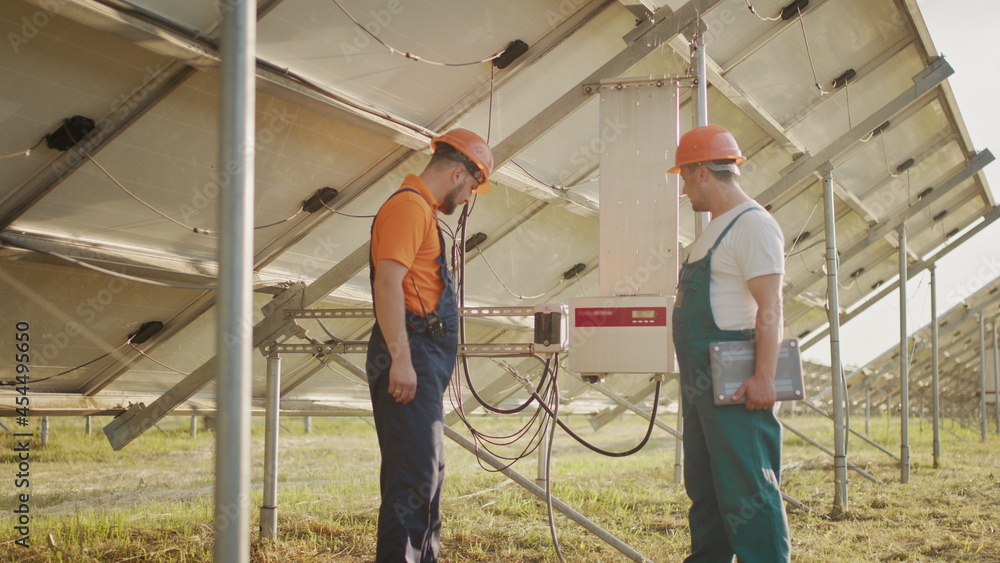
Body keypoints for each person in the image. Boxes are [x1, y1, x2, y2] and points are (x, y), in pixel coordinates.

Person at [365, 128, 493, 563]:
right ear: (459, 173)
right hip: (409, 353)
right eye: (473, 186)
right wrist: (401, 358)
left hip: (422, 355)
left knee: (427, 471)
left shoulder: (421, 209)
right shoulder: (408, 208)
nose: (470, 197)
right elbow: (388, 282)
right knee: (411, 476)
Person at [668, 125, 791, 562]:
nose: (683, 189)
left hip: (738, 385)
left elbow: (770, 306)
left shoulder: (753, 225)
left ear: (702, 172)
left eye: (684, 177)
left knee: (749, 490)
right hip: (703, 386)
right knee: (706, 486)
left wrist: (764, 376)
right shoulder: (713, 230)